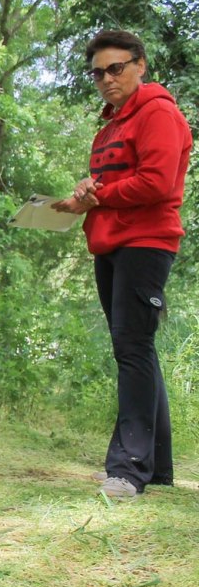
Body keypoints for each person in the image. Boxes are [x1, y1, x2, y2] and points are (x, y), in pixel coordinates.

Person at [51, 30, 191, 500]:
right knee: (135, 351)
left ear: (140, 65)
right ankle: (158, 468)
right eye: (98, 72)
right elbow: (117, 181)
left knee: (133, 349)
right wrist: (85, 196)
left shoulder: (157, 112)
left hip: (145, 243)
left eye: (116, 68)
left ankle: (128, 470)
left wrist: (100, 197)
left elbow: (155, 183)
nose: (107, 79)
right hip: (110, 244)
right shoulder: (110, 126)